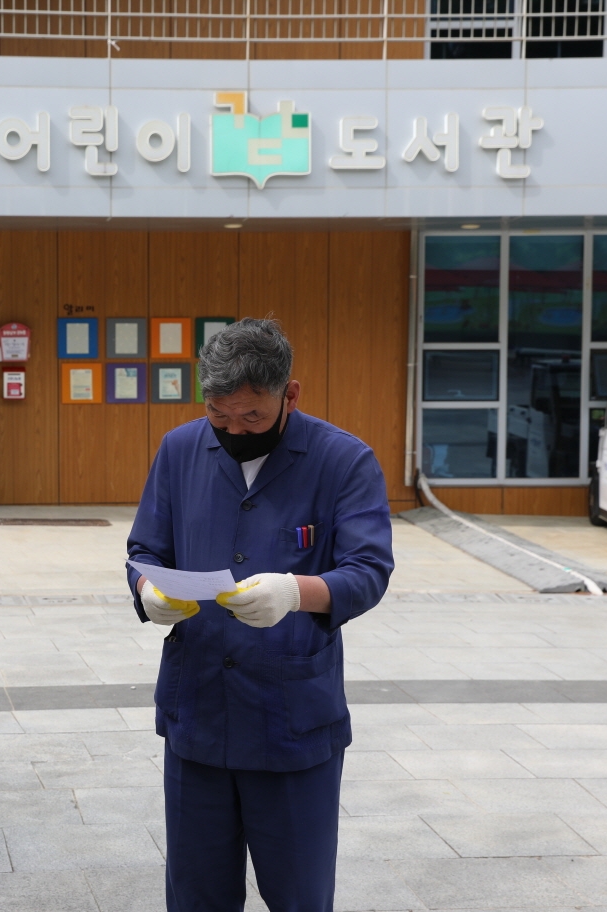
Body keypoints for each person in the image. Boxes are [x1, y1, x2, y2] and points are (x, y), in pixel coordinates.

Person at [126, 318, 394, 912]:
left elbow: (369, 569)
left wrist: (300, 591)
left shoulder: (343, 460)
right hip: (197, 711)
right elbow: (144, 550)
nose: (233, 430)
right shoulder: (179, 450)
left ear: (289, 395)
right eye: (220, 415)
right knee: (196, 896)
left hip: (291, 723)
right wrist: (147, 588)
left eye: (251, 417)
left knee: (299, 897)